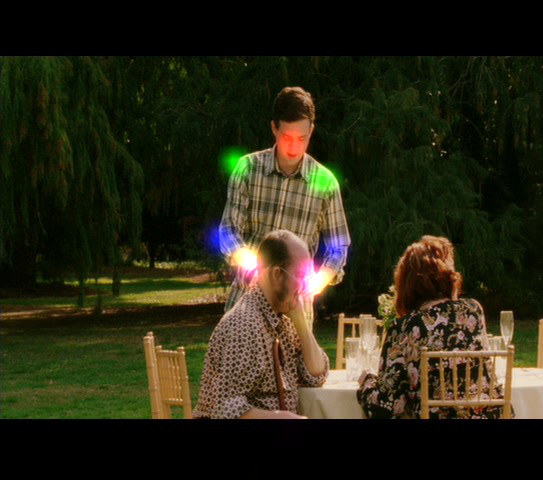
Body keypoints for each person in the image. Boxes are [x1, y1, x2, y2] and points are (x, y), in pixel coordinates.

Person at [218, 86, 351, 327]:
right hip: (246, 307)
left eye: (302, 139)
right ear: (274, 128)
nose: (293, 147)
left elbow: (338, 248)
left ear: (311, 131)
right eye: (287, 137)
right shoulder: (248, 169)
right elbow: (228, 232)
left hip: (296, 314)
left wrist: (319, 280)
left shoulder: (325, 183)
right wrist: (253, 264)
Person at [356, 235, 505, 419]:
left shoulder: (404, 328)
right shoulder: (474, 311)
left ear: (407, 283)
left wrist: (367, 382)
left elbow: (387, 407)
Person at [193, 230, 330, 419]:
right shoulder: (244, 325)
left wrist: (300, 321)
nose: (304, 286)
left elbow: (316, 375)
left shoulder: (283, 320)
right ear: (277, 274)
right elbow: (224, 408)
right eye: (299, 276)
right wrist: (281, 418)